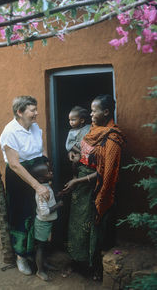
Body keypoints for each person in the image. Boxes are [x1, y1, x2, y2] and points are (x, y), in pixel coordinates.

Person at [61, 94, 125, 280]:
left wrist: (77, 181)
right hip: (80, 188)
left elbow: (105, 174)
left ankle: (93, 268)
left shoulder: (112, 140)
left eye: (94, 110)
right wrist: (75, 159)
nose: (91, 114)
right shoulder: (93, 131)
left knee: (94, 227)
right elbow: (83, 153)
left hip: (96, 189)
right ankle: (77, 261)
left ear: (106, 112)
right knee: (77, 225)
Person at [0, 96, 50, 276]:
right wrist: (37, 185)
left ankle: (37, 256)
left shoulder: (34, 127)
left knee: (39, 214)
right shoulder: (10, 132)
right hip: (20, 177)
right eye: (32, 110)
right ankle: (21, 256)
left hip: (37, 173)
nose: (36, 113)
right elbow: (14, 164)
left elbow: (42, 149)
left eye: (36, 109)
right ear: (20, 112)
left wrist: (45, 168)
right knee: (22, 216)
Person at [30, 162, 63, 281]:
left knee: (45, 246)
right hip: (42, 224)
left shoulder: (46, 187)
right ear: (41, 178)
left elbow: (49, 201)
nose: (51, 173)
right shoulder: (41, 193)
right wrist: (58, 205)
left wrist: (57, 196)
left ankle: (44, 264)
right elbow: (44, 212)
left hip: (47, 223)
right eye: (48, 172)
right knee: (40, 247)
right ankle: (40, 271)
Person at [65, 106, 90, 177]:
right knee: (76, 160)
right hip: (79, 151)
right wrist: (80, 152)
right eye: (69, 120)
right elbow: (70, 144)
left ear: (82, 120)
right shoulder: (71, 132)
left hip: (90, 151)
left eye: (73, 120)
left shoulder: (89, 127)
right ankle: (75, 175)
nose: (71, 122)